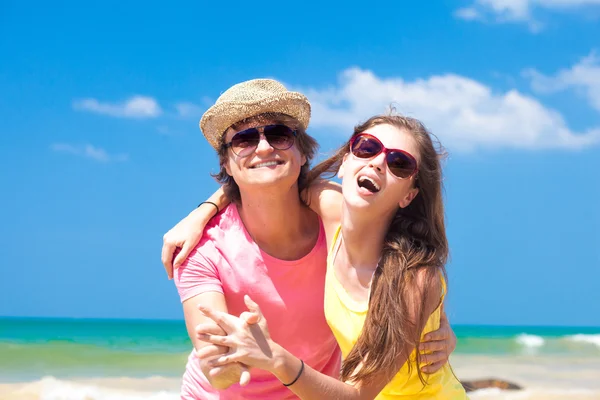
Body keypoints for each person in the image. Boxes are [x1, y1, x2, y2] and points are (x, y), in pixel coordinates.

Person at [162, 79, 457, 399]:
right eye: (244, 140)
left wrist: (428, 318)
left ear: (303, 154)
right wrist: (228, 360)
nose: (263, 148)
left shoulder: (331, 213)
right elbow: (220, 374)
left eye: (278, 135)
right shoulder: (199, 250)